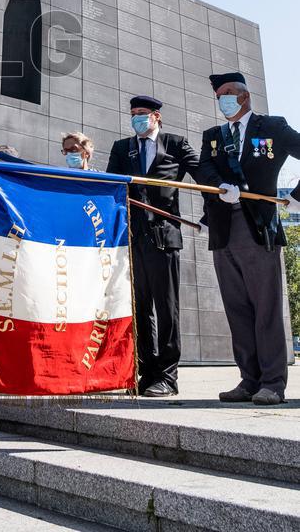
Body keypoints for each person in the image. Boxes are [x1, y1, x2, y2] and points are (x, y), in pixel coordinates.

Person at [197, 71, 300, 405]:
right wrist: (221, 187)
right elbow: (204, 170)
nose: (222, 100)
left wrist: (298, 196)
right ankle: (249, 379)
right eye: (218, 96)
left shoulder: (270, 127)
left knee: (265, 307)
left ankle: (273, 382)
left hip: (258, 227)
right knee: (237, 308)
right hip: (223, 228)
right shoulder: (213, 136)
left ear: (243, 96)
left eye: (227, 93)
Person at [107, 96, 199, 397]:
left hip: (164, 236)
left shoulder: (175, 143)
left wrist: (224, 190)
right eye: (133, 114)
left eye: (142, 114)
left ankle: (168, 377)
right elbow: (111, 187)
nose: (136, 118)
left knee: (166, 307)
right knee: (140, 308)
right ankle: (146, 373)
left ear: (156, 116)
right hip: (133, 238)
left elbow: (203, 175)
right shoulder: (123, 148)